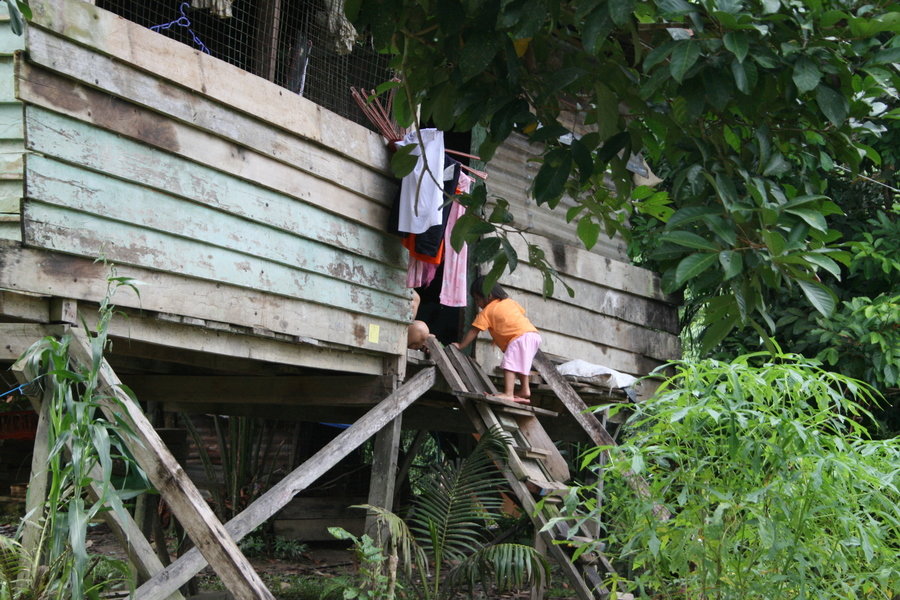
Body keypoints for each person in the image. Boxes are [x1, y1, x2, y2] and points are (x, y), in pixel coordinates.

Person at [452, 276, 541, 402]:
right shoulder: (510, 302)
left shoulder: (487, 312)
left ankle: (508, 393)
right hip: (532, 335)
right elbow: (520, 312)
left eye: (477, 299)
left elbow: (473, 331)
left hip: (518, 338)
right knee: (522, 363)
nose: (477, 303)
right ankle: (525, 390)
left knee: (509, 364)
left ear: (488, 295)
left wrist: (461, 346)